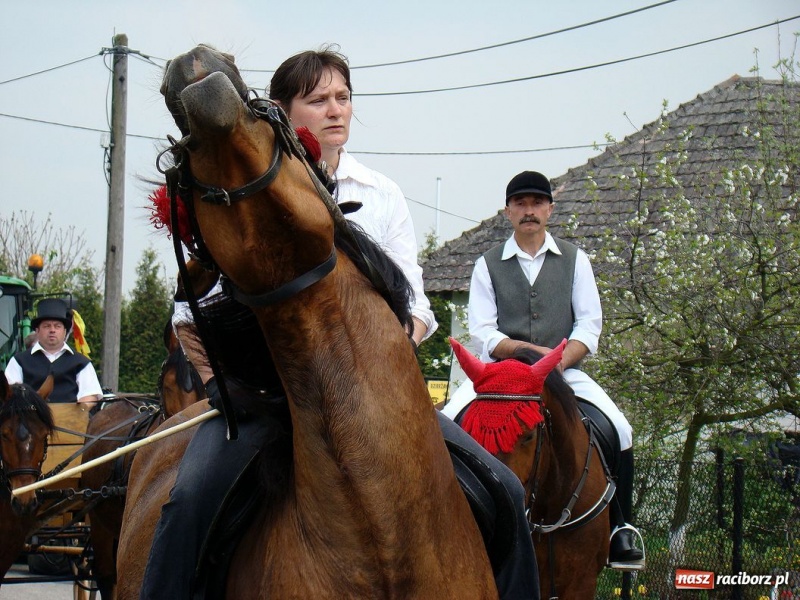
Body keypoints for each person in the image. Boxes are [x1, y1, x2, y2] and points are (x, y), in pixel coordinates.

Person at [144, 47, 539, 600]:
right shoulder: (230, 192)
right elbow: (189, 318)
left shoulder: (382, 194)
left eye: (343, 98)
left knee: (502, 488)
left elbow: (418, 308)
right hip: (264, 406)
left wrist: (377, 368)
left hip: (378, 408)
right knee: (188, 504)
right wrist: (222, 391)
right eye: (317, 99)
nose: (335, 110)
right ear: (279, 112)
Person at [466, 170, 645, 570]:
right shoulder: (487, 263)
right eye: (520, 204)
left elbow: (589, 325)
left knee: (620, 427)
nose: (528, 211)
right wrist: (531, 354)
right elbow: (482, 331)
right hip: (502, 376)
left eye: (536, 203)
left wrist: (556, 362)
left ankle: (621, 528)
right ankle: (453, 519)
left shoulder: (576, 259)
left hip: (564, 372)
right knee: (451, 421)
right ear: (508, 211)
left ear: (549, 208)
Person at [4, 298, 102, 409]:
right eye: (47, 326)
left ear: (64, 331)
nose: (52, 330)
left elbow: (89, 395)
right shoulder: (19, 361)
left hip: (71, 423)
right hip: (30, 422)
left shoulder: (81, 363)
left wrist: (76, 413)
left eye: (57, 326)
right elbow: (10, 395)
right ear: (37, 331)